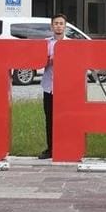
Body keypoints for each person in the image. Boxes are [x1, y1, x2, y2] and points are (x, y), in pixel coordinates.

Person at [38, 14, 68, 159]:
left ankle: (66, 148)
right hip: (49, 87)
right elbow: (38, 63)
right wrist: (51, 59)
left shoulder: (72, 44)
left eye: (61, 23)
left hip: (67, 89)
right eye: (55, 23)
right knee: (50, 118)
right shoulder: (46, 43)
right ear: (51, 26)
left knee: (66, 119)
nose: (58, 26)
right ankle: (51, 149)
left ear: (65, 26)